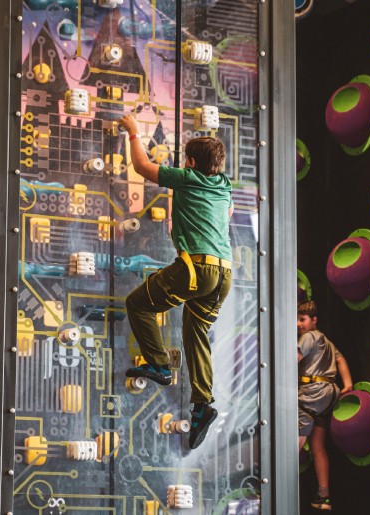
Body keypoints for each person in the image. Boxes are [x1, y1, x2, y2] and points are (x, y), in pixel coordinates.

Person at [119, 114, 233, 450]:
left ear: (192, 162)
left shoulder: (187, 177)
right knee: (195, 332)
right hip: (224, 273)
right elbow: (225, 216)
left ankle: (159, 365)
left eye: (187, 159)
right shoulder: (224, 186)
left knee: (137, 304)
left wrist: (134, 133)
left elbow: (142, 167)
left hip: (195, 268)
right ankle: (202, 406)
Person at [297, 299, 352, 511]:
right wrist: (347, 384)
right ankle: (324, 496)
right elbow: (341, 361)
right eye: (297, 320)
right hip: (329, 396)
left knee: (295, 443)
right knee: (318, 445)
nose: (299, 325)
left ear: (314, 320)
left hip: (312, 394)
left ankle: (279, 486)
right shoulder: (327, 342)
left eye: (302, 319)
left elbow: (293, 359)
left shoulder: (309, 337)